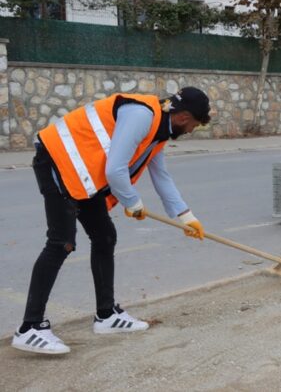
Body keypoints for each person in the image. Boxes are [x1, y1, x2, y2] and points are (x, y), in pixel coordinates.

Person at [12, 88, 211, 355]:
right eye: (195, 125)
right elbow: (115, 168)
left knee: (105, 235)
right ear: (185, 117)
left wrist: (187, 216)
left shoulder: (159, 131)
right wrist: (132, 202)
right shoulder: (143, 115)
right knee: (61, 242)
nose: (192, 130)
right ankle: (30, 328)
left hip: (81, 174)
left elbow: (161, 175)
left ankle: (106, 316)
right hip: (56, 161)